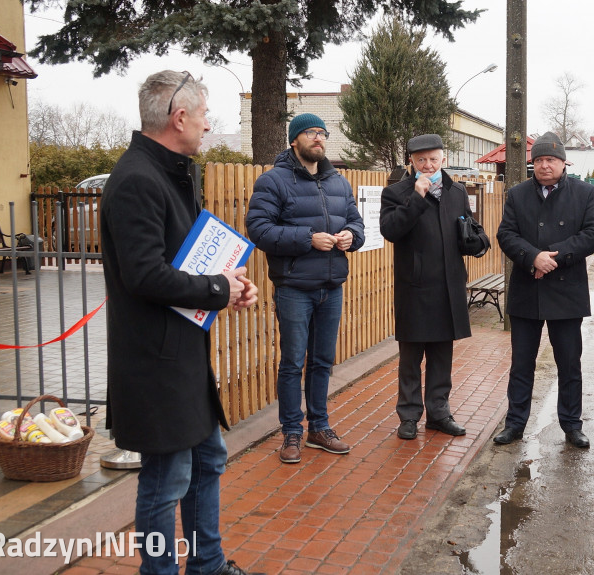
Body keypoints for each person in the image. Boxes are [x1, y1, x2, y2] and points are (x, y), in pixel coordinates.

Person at [101, 70, 260, 575]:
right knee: (165, 481)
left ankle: (207, 565)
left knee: (208, 462)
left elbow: (188, 262)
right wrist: (216, 290)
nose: (209, 126)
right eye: (206, 115)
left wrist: (229, 287)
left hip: (182, 356)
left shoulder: (172, 172)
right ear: (180, 117)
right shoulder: (135, 181)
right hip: (154, 361)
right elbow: (145, 275)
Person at [246, 113, 365, 464]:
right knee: (293, 362)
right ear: (294, 140)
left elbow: (356, 223)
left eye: (323, 133)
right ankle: (292, 433)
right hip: (294, 287)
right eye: (311, 132)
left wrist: (351, 237)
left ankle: (319, 427)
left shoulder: (338, 183)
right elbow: (259, 229)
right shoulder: (273, 182)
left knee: (323, 361)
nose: (319, 138)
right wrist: (307, 238)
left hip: (332, 286)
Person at [493, 132, 594, 448]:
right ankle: (515, 424)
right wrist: (533, 258)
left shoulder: (585, 193)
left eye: (551, 160)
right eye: (539, 160)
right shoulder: (517, 194)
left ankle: (571, 424)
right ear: (533, 163)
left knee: (569, 363)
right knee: (521, 364)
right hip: (527, 290)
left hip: (567, 291)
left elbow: (593, 235)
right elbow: (507, 235)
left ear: (563, 162)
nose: (544, 165)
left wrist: (553, 256)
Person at [380, 134, 475, 440]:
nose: (428, 165)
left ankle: (438, 413)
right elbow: (392, 230)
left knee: (441, 355)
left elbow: (469, 226)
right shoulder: (396, 193)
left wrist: (477, 240)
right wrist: (417, 198)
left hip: (447, 286)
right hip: (414, 287)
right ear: (412, 161)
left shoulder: (457, 191)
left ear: (443, 159)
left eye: (433, 159)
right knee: (410, 358)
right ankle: (408, 416)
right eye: (421, 160)